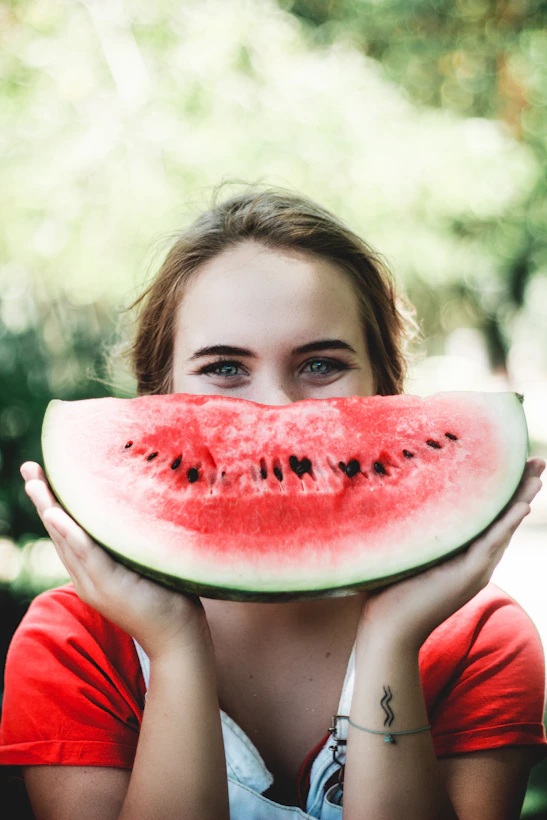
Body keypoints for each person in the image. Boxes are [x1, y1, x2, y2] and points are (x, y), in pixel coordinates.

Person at [0, 183, 545, 820]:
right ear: (156, 398)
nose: (276, 413)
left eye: (320, 365)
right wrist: (174, 648)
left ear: (387, 390)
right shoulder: (76, 643)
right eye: (225, 368)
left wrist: (393, 637)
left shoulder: (478, 640)